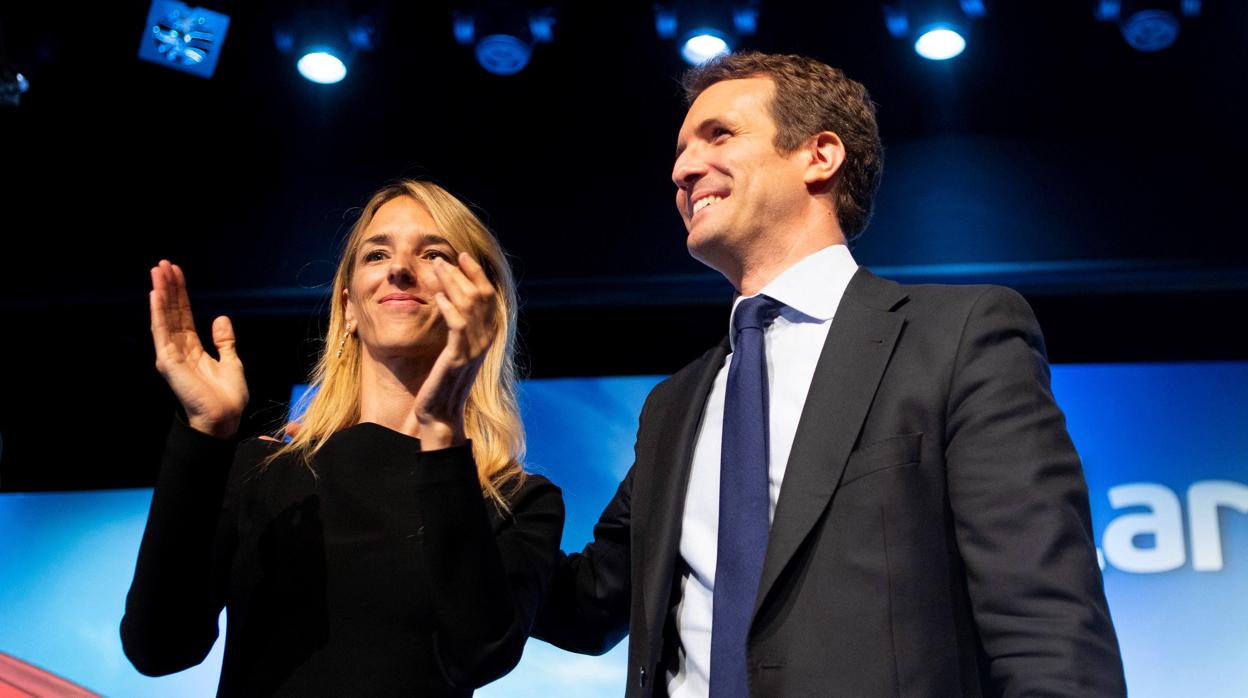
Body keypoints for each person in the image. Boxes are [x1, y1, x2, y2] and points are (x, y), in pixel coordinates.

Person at [533, 52, 1126, 697]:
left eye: (719, 135)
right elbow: (586, 603)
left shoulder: (958, 337)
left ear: (819, 155)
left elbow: (1044, 622)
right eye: (680, 150)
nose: (682, 169)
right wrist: (444, 434)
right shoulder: (674, 405)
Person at [121, 179, 564, 696]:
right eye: (377, 254)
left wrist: (443, 427)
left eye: (433, 254)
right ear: (349, 306)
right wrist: (205, 436)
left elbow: (479, 654)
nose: (400, 269)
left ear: (479, 305)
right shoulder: (262, 473)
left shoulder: (515, 502)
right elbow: (157, 648)